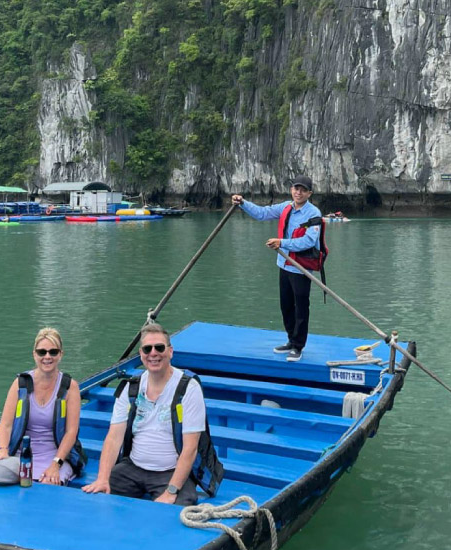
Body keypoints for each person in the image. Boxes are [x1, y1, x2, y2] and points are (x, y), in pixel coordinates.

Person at [82, 323, 223, 506]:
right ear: (141, 354)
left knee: (179, 507)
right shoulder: (130, 388)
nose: (153, 353)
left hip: (170, 471)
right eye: (147, 349)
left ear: (170, 351)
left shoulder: (188, 388)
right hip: (133, 467)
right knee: (96, 500)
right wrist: (102, 478)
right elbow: (114, 437)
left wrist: (171, 491)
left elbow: (190, 448)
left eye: (159, 347)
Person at [231, 175, 325, 362]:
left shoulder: (313, 214)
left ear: (309, 193)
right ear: (291, 190)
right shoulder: (285, 207)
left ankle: (298, 346)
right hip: (284, 265)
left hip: (301, 268)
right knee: (286, 305)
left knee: (301, 307)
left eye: (303, 190)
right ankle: (291, 340)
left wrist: (281, 242)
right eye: (295, 188)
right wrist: (242, 203)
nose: (298, 192)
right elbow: (262, 213)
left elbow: (308, 241)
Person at [0, 327, 85, 486]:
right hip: (22, 455)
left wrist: (55, 465)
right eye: (42, 352)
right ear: (34, 354)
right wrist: (3, 451)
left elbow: (71, 432)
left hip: (55, 456)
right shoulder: (20, 383)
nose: (47, 357)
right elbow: (6, 424)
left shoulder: (70, 387)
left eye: (53, 352)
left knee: (48, 485)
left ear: (60, 354)